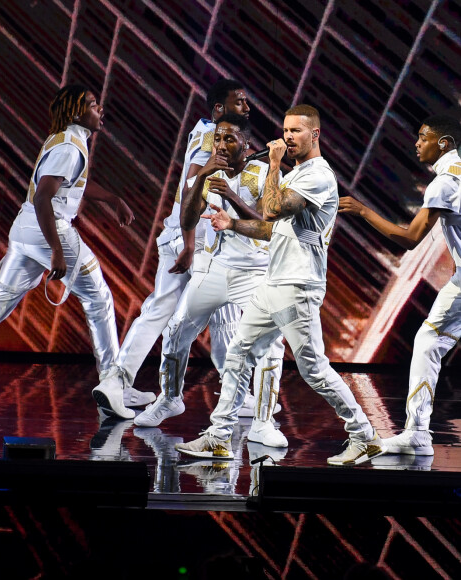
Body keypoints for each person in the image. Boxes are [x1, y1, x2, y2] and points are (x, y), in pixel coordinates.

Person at [176, 105, 384, 465]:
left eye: (296, 131)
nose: (287, 137)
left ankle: (364, 436)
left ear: (315, 135)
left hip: (297, 286)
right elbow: (272, 229)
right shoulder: (297, 175)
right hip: (274, 283)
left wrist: (272, 164)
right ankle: (219, 436)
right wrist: (232, 224)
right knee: (239, 352)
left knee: (313, 369)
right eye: (285, 130)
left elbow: (271, 209)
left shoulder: (317, 175)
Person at [0, 84, 136, 420]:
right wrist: (58, 251)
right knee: (100, 300)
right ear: (77, 112)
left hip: (26, 230)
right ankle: (112, 384)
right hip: (48, 229)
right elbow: (44, 197)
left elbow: (70, 183)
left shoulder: (65, 140)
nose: (99, 108)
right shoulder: (71, 146)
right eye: (92, 104)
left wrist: (112, 199)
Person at [96, 79, 282, 420]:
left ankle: (118, 381)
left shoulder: (206, 133)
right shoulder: (213, 139)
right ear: (219, 109)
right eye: (240, 102)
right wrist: (190, 243)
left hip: (189, 238)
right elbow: (191, 186)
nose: (248, 107)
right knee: (209, 319)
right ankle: (216, 394)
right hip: (194, 241)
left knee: (174, 313)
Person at [134, 113, 287, 450]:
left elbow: (268, 223)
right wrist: (200, 177)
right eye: (218, 138)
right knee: (176, 331)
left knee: (269, 345)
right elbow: (187, 218)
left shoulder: (265, 172)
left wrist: (231, 197)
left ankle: (263, 423)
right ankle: (170, 398)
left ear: (246, 143)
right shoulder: (210, 173)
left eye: (229, 138)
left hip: (256, 271)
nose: (220, 144)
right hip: (215, 268)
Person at [339, 114, 461, 456]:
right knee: (429, 342)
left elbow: (409, 238)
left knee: (427, 342)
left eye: (423, 137)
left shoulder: (443, 183)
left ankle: (418, 434)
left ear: (445, 143)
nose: (417, 143)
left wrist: (363, 211)